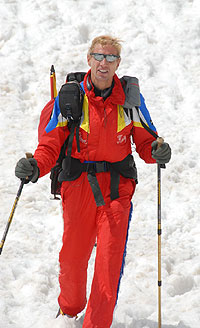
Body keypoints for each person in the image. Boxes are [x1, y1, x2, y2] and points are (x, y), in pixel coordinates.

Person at [15, 35, 171, 328]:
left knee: (108, 265)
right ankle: (70, 309)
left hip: (117, 189)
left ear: (118, 64)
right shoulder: (70, 98)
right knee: (73, 260)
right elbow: (50, 144)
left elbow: (147, 141)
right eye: (99, 56)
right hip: (78, 187)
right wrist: (36, 166)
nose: (104, 63)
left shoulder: (130, 99)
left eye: (111, 58)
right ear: (89, 59)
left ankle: (97, 324)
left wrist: (157, 150)